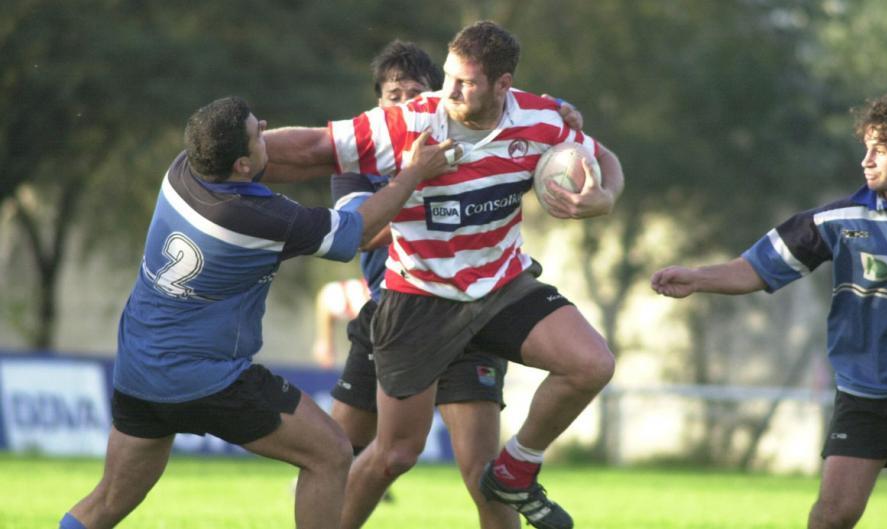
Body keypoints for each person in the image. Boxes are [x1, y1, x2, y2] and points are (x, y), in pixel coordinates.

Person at [265, 21, 623, 529]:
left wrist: (605, 196)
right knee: (394, 454)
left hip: (500, 287)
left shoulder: (542, 118)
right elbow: (313, 148)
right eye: (448, 77)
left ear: (503, 85)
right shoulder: (408, 125)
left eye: (465, 82)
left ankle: (518, 469)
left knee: (591, 365)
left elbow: (600, 154)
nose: (448, 90)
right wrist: (240, 155)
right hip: (417, 300)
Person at [57, 96, 454, 529]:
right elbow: (357, 232)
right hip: (208, 378)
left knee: (110, 499)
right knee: (331, 452)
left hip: (138, 369)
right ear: (241, 165)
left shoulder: (182, 169)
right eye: (256, 132)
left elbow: (278, 161)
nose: (264, 126)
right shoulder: (257, 220)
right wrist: (414, 172)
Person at [650, 92, 887, 529]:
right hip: (866, 387)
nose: (866, 160)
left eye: (880, 149)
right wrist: (697, 278)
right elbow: (754, 269)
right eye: (865, 148)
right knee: (834, 516)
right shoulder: (836, 220)